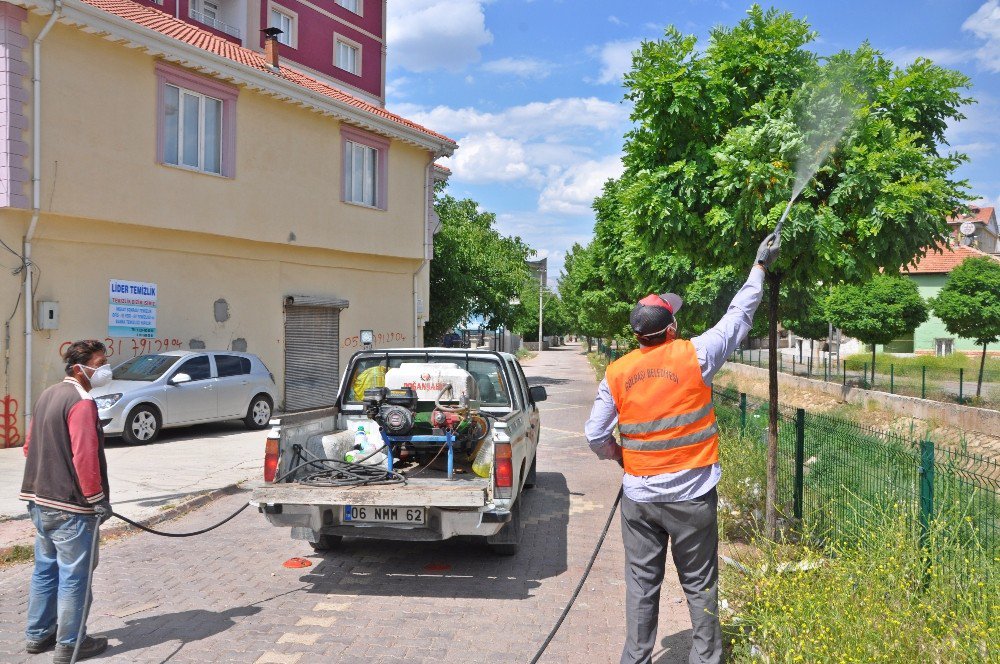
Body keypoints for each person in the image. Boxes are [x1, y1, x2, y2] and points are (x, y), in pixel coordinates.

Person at [585, 234, 781, 664]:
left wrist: (620, 456)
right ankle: (706, 659)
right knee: (699, 583)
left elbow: (595, 434)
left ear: (638, 334)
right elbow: (738, 315)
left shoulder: (616, 373)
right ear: (670, 328)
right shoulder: (695, 355)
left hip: (639, 499)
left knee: (641, 585)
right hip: (692, 497)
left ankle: (635, 658)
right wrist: (759, 267)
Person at [20, 340, 113, 662]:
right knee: (75, 575)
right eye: (100, 363)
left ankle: (38, 634)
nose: (105, 369)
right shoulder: (82, 402)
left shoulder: (48, 395)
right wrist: (97, 499)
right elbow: (84, 457)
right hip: (71, 508)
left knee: (45, 570)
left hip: (39, 500)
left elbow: (28, 446)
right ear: (80, 368)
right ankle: (71, 643)